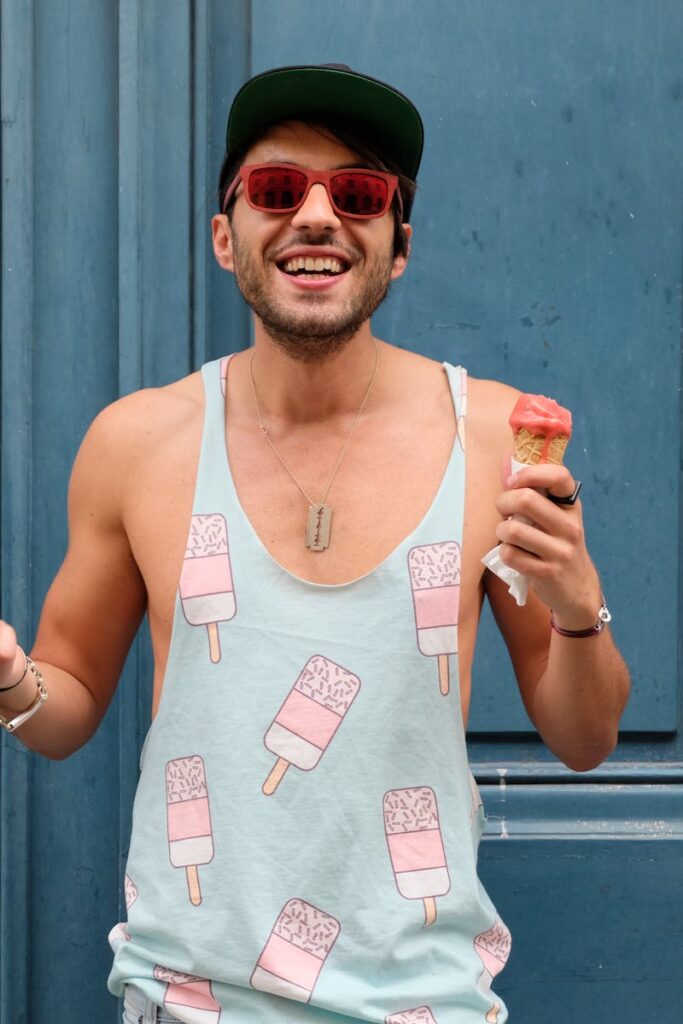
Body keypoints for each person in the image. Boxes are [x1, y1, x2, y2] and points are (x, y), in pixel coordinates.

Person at [0, 64, 629, 1024]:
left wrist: (580, 610)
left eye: (362, 194)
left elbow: (583, 743)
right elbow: (68, 703)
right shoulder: (136, 442)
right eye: (279, 189)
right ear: (226, 235)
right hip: (184, 998)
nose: (319, 215)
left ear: (399, 246)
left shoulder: (494, 439)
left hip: (421, 1005)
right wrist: (10, 680)